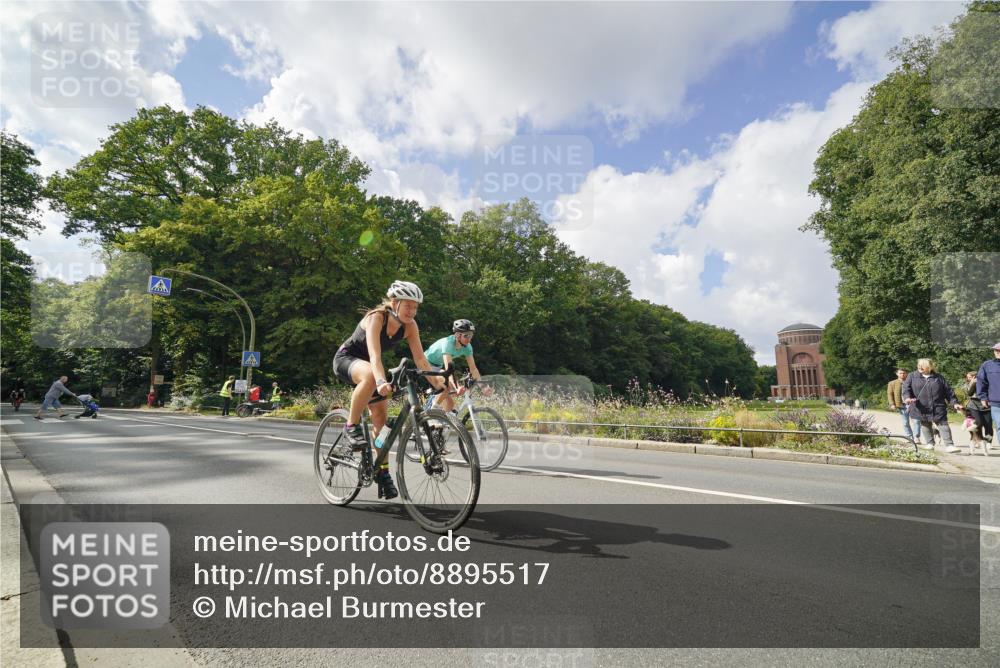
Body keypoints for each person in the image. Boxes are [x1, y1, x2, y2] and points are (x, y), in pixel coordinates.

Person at [332, 280, 440, 500]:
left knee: (381, 420)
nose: (412, 311)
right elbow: (375, 356)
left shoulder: (410, 326)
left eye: (415, 307)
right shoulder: (376, 318)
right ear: (394, 303)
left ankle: (382, 471)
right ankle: (350, 425)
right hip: (348, 360)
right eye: (408, 305)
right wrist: (381, 380)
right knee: (372, 377)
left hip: (372, 369)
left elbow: (420, 359)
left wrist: (440, 384)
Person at [424, 319, 492, 414]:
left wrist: (483, 387)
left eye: (471, 335)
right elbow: (449, 369)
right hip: (425, 364)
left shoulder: (467, 347)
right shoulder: (448, 343)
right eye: (466, 335)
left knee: (450, 404)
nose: (469, 338)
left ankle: (441, 423)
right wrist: (457, 387)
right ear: (457, 335)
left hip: (438, 367)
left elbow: (473, 369)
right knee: (446, 386)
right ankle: (431, 412)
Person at [902, 358, 964, 453]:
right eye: (919, 364)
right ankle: (930, 443)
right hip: (921, 406)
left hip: (938, 406)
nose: (920, 366)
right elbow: (906, 389)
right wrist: (907, 398)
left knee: (943, 424)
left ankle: (950, 445)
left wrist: (955, 403)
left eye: (923, 365)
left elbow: (949, 392)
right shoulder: (912, 376)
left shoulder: (939, 378)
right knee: (925, 423)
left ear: (930, 367)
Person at [962, 371, 992, 455]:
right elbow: (969, 393)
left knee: (988, 424)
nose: (968, 379)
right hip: (973, 406)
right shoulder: (970, 384)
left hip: (986, 406)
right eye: (968, 377)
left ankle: (987, 442)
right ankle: (977, 440)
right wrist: (972, 383)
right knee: (977, 423)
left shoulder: (987, 382)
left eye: (970, 377)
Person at [977, 342, 1000, 448]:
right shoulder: (987, 365)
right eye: (996, 350)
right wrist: (983, 397)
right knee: (999, 425)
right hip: (996, 402)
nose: (998, 352)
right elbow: (981, 382)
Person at [886, 369, 915, 441]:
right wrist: (892, 404)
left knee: (916, 421)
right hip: (902, 405)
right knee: (905, 423)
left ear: (907, 374)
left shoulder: (912, 382)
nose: (902, 374)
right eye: (900, 373)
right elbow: (890, 394)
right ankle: (910, 437)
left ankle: (916, 437)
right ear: (897, 374)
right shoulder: (892, 383)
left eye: (904, 373)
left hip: (912, 404)